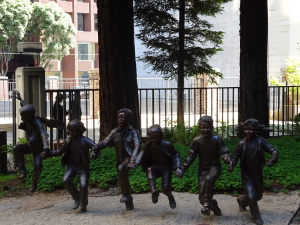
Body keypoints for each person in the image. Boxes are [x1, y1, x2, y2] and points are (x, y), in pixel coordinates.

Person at [176, 115, 232, 216]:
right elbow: (190, 157)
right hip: (203, 170)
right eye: (203, 127)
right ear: (199, 127)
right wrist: (182, 169)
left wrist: (227, 159)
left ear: (212, 128)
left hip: (214, 168)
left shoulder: (217, 139)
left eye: (208, 127)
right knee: (202, 198)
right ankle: (213, 205)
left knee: (209, 179)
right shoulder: (196, 141)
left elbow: (224, 152)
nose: (205, 130)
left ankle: (206, 206)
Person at [229, 118, 279, 225]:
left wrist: (273, 159)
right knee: (251, 196)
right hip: (246, 174)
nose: (248, 132)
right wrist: (231, 165)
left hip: (257, 173)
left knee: (258, 196)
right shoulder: (241, 144)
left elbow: (274, 150)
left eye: (251, 129)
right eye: (246, 129)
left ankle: (241, 200)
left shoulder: (260, 141)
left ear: (256, 130)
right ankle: (257, 217)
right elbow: (234, 157)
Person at [41, 119, 96, 213]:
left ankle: (83, 204)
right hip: (72, 166)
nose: (69, 132)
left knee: (83, 185)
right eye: (68, 130)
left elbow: (95, 146)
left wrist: (95, 153)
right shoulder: (68, 141)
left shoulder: (84, 140)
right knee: (66, 180)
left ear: (79, 131)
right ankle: (77, 197)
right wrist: (48, 154)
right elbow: (59, 151)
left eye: (72, 130)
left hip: (83, 168)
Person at [91, 108, 140, 210]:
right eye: (119, 117)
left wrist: (132, 160)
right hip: (119, 159)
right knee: (122, 178)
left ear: (128, 119)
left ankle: (126, 195)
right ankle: (129, 202)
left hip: (128, 157)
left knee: (122, 168)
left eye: (122, 117)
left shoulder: (134, 132)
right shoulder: (114, 132)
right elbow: (105, 142)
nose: (120, 119)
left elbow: (137, 147)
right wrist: (95, 148)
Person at [131, 124, 181, 209]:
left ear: (161, 136)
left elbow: (176, 155)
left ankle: (169, 195)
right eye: (151, 138)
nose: (153, 140)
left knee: (165, 189)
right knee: (149, 170)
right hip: (155, 167)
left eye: (156, 138)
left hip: (166, 168)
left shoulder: (167, 145)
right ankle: (154, 191)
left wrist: (178, 167)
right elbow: (142, 154)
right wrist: (135, 162)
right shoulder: (148, 145)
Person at [13, 90, 50, 193]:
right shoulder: (29, 118)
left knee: (38, 166)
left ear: (29, 116)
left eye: (23, 116)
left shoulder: (36, 122)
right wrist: (21, 99)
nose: (22, 118)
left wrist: (46, 148)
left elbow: (43, 134)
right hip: (30, 145)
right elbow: (27, 107)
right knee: (16, 148)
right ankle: (23, 172)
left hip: (38, 149)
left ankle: (34, 183)